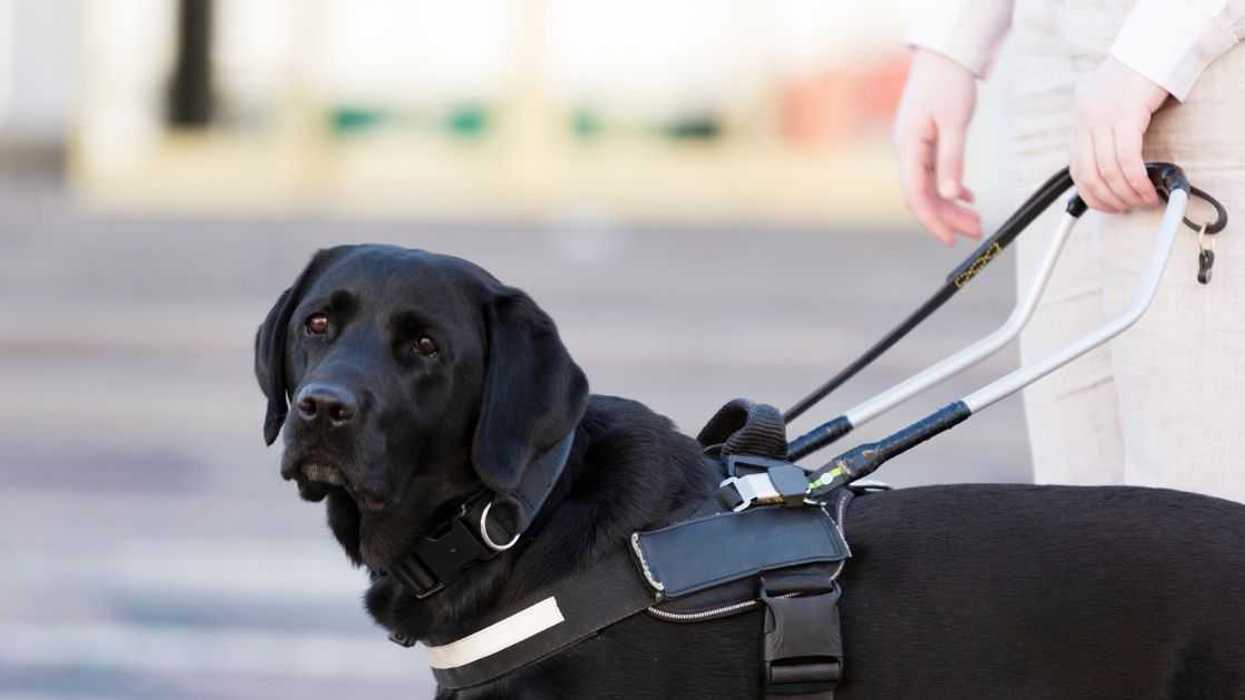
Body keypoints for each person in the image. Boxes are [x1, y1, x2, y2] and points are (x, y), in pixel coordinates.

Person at [893, 1, 1245, 502]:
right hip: (1053, 50)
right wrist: (946, 45)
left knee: (1196, 502)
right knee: (1073, 498)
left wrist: (1155, 50)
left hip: (1199, 51)